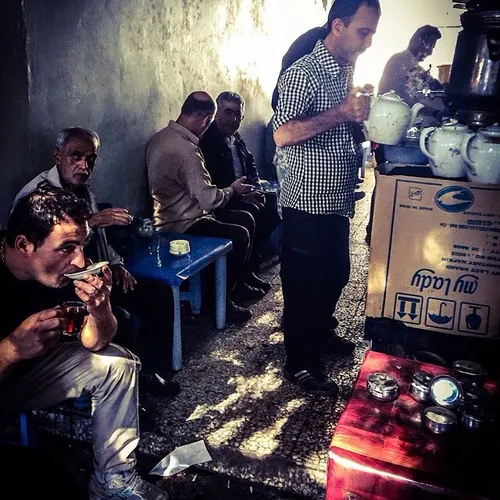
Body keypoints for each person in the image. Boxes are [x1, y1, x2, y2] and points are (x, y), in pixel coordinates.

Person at [0, 185, 168, 499]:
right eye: (67, 247)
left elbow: (95, 342)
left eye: (83, 245)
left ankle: (111, 480)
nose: (80, 261)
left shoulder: (60, 273)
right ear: (23, 244)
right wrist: (11, 349)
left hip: (26, 378)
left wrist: (100, 307)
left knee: (119, 364)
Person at [12, 127, 179, 398]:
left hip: (96, 272)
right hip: (57, 284)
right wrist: (92, 222)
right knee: (118, 318)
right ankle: (128, 387)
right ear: (57, 155)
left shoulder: (82, 189)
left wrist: (116, 263)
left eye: (90, 159)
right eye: (75, 156)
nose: (83, 165)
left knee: (158, 293)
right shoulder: (36, 196)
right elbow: (42, 256)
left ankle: (151, 371)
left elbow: (99, 240)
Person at [273, 0, 381, 397]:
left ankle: (319, 333)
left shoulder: (344, 67)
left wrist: (359, 114)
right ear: (338, 26)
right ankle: (299, 362)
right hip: (306, 199)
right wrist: (340, 113)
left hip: (335, 196)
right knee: (306, 284)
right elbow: (282, 133)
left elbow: (343, 121)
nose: (368, 42)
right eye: (362, 32)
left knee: (335, 274)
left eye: (372, 33)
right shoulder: (303, 72)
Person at [146, 91, 261, 322]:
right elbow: (208, 199)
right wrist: (233, 191)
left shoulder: (161, 137)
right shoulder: (187, 150)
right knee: (240, 234)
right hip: (181, 224)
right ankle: (218, 301)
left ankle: (236, 285)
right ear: (207, 119)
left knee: (247, 217)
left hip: (169, 215)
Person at [199, 91, 281, 286]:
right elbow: (212, 182)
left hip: (241, 191)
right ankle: (240, 278)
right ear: (216, 113)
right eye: (228, 112)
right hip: (222, 198)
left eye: (237, 114)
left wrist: (254, 186)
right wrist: (240, 195)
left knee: (272, 206)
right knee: (250, 212)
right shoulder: (207, 141)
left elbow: (250, 162)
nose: (233, 119)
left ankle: (249, 266)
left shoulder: (236, 138)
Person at [378, 25, 446, 127]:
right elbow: (411, 102)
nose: (431, 52)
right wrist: (436, 113)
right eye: (431, 46)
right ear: (419, 41)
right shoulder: (402, 62)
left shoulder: (409, 64)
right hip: (394, 126)